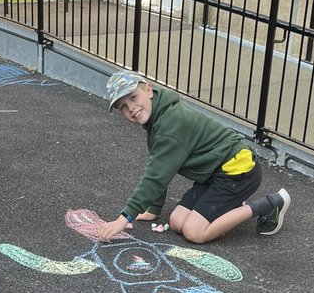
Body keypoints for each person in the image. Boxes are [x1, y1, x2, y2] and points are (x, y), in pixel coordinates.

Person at [98, 70, 291, 244]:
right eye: (123, 106)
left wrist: (124, 219)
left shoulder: (170, 125)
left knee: (194, 232)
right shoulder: (158, 119)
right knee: (176, 222)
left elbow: (155, 178)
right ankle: (228, 205)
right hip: (214, 172)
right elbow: (159, 167)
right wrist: (154, 209)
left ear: (148, 89)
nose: (130, 108)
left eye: (133, 97)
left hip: (238, 171)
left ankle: (269, 205)